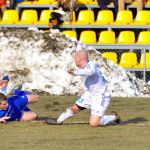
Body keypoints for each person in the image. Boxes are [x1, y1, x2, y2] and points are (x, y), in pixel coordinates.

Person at [46, 50, 121, 127]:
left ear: (79, 59)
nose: (74, 60)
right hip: (90, 94)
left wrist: (76, 72)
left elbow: (90, 72)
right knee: (75, 108)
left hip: (100, 96)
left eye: (75, 58)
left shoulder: (91, 64)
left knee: (94, 123)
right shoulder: (86, 67)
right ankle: (58, 121)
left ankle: (113, 117)